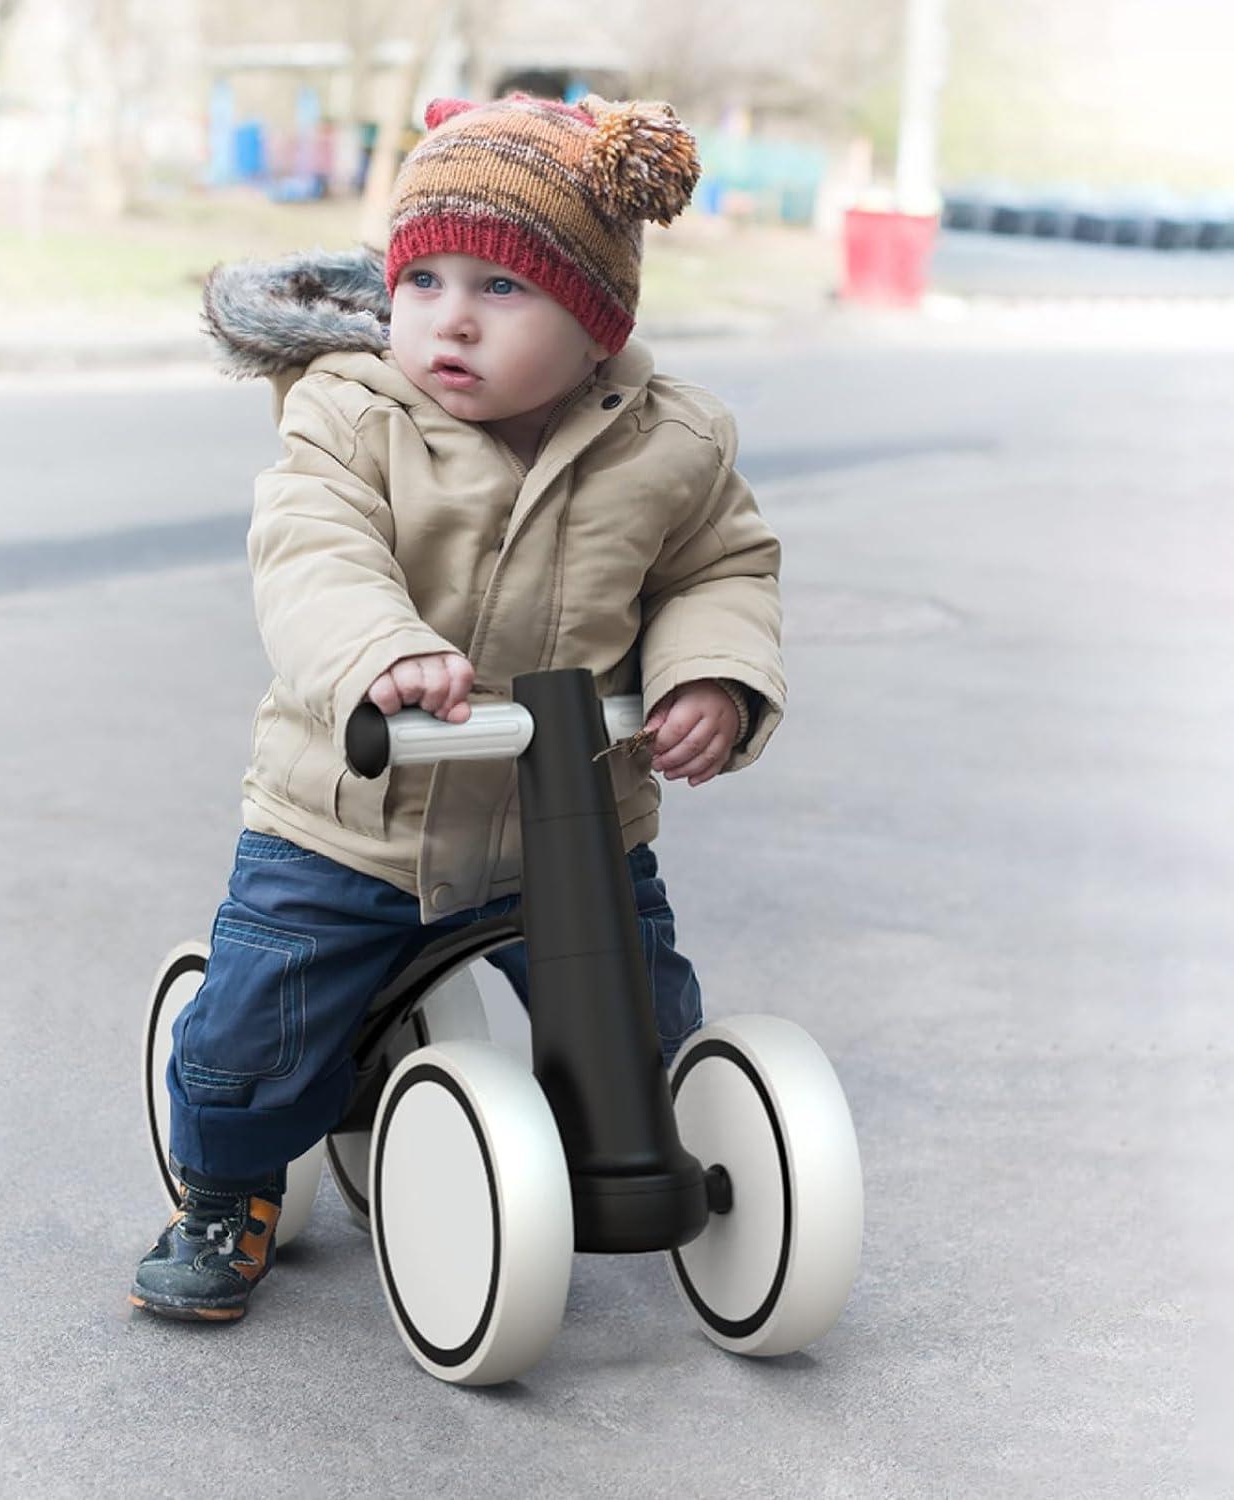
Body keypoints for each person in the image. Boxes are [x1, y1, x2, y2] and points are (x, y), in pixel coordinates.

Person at [129, 93, 785, 1323]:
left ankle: (640, 1147)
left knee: (647, 1024)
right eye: (422, 279)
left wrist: (714, 677)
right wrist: (382, 652)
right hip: (355, 817)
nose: (449, 320)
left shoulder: (672, 443)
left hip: (574, 829)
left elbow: (719, 569)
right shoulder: (352, 413)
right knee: (255, 1037)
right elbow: (314, 552)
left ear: (598, 320)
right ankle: (223, 1190)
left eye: (501, 288)